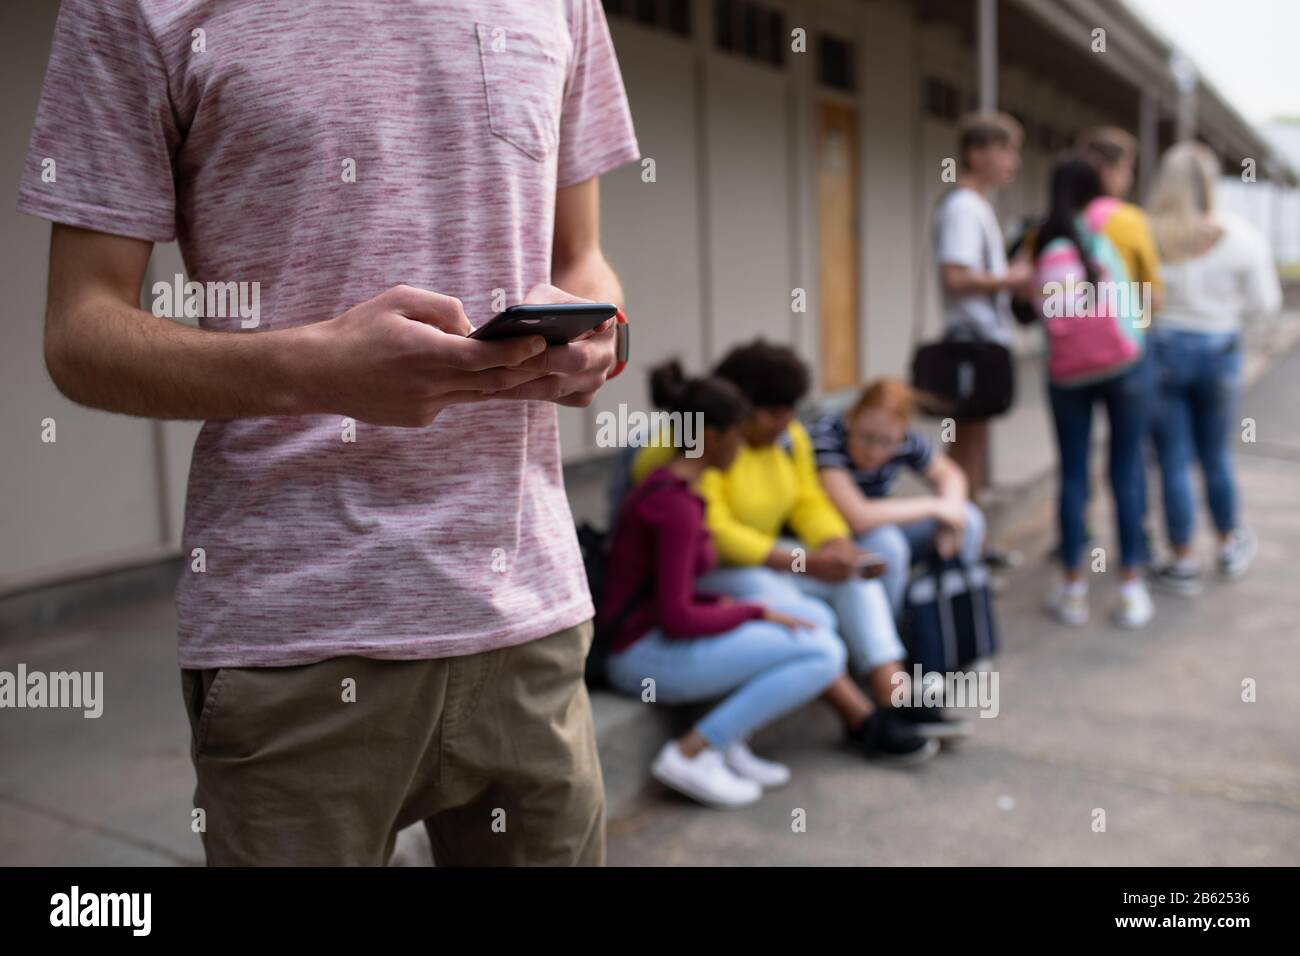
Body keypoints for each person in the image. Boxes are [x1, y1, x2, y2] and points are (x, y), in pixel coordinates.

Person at [20, 0, 640, 865]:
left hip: (530, 612)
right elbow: (80, 332)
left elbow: (582, 255)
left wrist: (601, 336)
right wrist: (319, 368)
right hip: (293, 641)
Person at [634, 342, 954, 746]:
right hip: (708, 570)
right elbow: (713, 531)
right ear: (735, 410)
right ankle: (858, 717)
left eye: (790, 412)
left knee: (854, 576)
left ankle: (892, 693)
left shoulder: (788, 439)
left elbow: (808, 501)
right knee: (786, 602)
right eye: (773, 413)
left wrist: (836, 543)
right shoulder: (695, 446)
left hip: (766, 559)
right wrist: (802, 561)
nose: (785, 424)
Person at [601, 364, 848, 807]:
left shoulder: (676, 489)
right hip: (638, 656)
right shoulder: (674, 506)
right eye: (737, 433)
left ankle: (728, 739)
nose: (742, 445)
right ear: (711, 437)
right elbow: (677, 617)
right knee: (824, 651)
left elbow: (668, 592)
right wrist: (751, 611)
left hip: (654, 637)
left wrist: (729, 603)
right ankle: (693, 751)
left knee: (816, 617)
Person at [1145, 142, 1282, 595]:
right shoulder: (1240, 235)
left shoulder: (1150, 234)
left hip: (1162, 350)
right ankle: (1227, 542)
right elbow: (1266, 304)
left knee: (1174, 461)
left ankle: (1182, 559)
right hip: (1219, 349)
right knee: (1216, 455)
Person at [1032, 155, 1154, 629]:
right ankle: (1130, 587)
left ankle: (1073, 588)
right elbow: (1132, 307)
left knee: (1073, 475)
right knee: (1126, 471)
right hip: (1123, 367)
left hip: (1066, 376)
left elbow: (1031, 308)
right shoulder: (1101, 238)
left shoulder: (1042, 240)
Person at [812, 378, 985, 621]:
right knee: (887, 545)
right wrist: (936, 507)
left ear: (902, 432)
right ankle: (893, 635)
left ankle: (954, 622)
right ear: (851, 417)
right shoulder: (825, 438)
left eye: (885, 442)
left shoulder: (903, 439)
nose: (873, 451)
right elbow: (858, 517)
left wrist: (950, 520)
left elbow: (950, 474)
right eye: (866, 438)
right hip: (834, 539)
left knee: (969, 518)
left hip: (877, 526)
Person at [933, 111, 1035, 512]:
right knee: (964, 441)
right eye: (1005, 150)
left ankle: (967, 530)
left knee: (973, 440)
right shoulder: (963, 207)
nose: (1013, 161)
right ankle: (953, 527)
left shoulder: (974, 205)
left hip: (981, 340)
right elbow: (955, 277)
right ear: (976, 154)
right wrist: (1011, 278)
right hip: (971, 341)